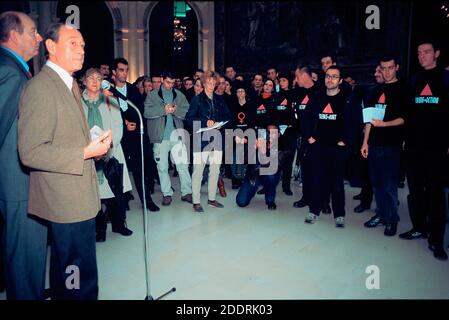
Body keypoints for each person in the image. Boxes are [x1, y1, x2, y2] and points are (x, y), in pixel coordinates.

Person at [18, 22, 113, 300]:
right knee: (78, 276)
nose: (81, 50)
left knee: (68, 270)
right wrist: (85, 153)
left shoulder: (69, 83)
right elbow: (31, 151)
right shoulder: (41, 88)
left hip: (77, 196)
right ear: (50, 46)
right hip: (64, 200)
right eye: (73, 43)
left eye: (82, 45)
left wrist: (95, 147)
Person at [0, 11, 47, 300]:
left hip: (15, 180)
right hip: (17, 182)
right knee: (26, 255)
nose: (39, 37)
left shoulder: (15, 68)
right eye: (33, 31)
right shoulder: (9, 71)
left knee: (20, 253)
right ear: (15, 35)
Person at [400, 39, 449, 260]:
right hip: (413, 146)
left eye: (427, 52)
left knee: (436, 194)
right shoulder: (414, 79)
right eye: (419, 53)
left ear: (436, 53)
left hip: (437, 147)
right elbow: (408, 112)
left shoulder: (446, 78)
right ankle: (419, 227)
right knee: (416, 189)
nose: (422, 56)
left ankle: (437, 241)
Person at [81, 68, 133, 241]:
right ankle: (100, 229)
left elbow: (118, 126)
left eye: (98, 78)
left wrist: (108, 147)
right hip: (87, 154)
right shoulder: (77, 103)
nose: (95, 82)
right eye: (91, 78)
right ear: (84, 81)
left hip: (111, 151)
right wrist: (90, 150)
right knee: (93, 194)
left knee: (115, 191)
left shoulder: (110, 100)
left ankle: (119, 224)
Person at [361, 57, 406, 237]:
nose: (386, 72)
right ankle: (380, 214)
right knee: (377, 184)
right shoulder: (374, 90)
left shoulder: (402, 90)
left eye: (390, 68)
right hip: (373, 144)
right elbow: (369, 120)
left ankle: (392, 220)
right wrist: (365, 142)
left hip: (392, 145)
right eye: (383, 68)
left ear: (396, 67)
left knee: (389, 185)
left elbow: (404, 118)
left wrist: (385, 124)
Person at [303, 66, 350, 227]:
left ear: (340, 80)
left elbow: (353, 122)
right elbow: (306, 118)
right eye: (328, 76)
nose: (330, 79)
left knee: (337, 182)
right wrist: (309, 137)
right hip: (318, 146)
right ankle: (313, 210)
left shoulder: (346, 99)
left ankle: (339, 213)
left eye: (334, 77)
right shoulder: (317, 98)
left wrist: (345, 140)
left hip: (337, 148)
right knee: (316, 180)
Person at [111, 58, 159, 212]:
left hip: (136, 135)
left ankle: (147, 200)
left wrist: (135, 124)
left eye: (126, 70)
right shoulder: (108, 91)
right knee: (118, 170)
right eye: (121, 70)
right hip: (118, 136)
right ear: (114, 72)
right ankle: (122, 202)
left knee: (140, 169)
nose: (124, 73)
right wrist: (125, 123)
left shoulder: (132, 90)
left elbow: (139, 112)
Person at [144, 71, 192, 206]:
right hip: (160, 138)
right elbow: (147, 113)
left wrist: (176, 110)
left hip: (177, 135)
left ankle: (186, 192)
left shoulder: (179, 95)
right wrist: (163, 110)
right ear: (161, 79)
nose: (170, 85)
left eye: (172, 83)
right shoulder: (152, 96)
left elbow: (187, 112)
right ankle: (167, 194)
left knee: (182, 165)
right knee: (162, 167)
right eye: (167, 82)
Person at [185, 71, 231, 213]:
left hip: (217, 138)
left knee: (215, 171)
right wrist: (206, 122)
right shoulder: (197, 100)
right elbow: (188, 120)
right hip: (201, 139)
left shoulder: (219, 99)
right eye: (209, 83)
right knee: (198, 172)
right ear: (204, 83)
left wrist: (221, 123)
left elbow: (229, 116)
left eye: (213, 83)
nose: (211, 85)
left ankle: (211, 199)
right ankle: (196, 201)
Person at [236, 124, 291, 210]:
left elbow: (274, 167)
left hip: (270, 175)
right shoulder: (258, 141)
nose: (271, 135)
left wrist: (263, 152)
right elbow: (244, 160)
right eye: (269, 132)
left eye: (274, 132)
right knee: (241, 202)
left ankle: (270, 200)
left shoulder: (283, 147)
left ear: (279, 134)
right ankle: (252, 190)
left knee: (271, 176)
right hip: (253, 176)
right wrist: (253, 148)